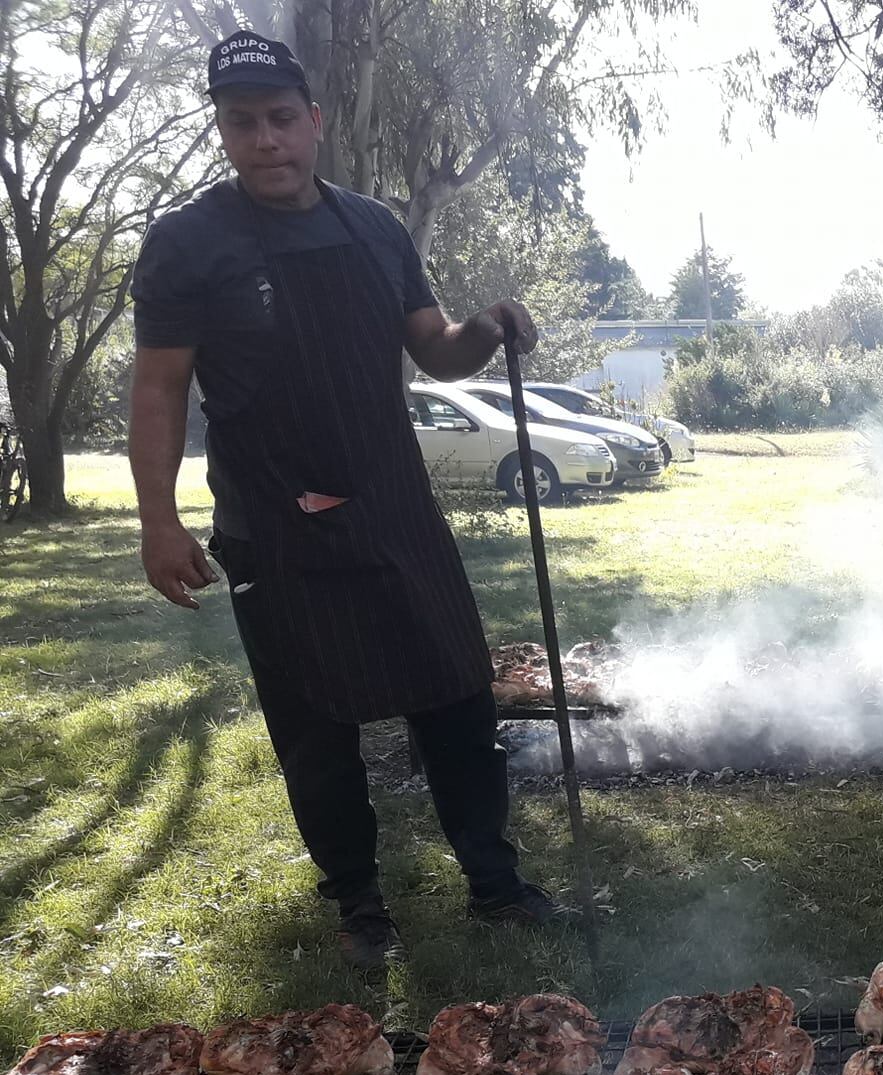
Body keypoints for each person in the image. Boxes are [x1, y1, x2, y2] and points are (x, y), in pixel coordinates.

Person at [128, 31, 564, 971]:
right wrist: (158, 520)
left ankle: (495, 885)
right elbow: (160, 386)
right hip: (274, 523)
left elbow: (435, 349)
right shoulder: (187, 244)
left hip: (395, 506)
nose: (265, 140)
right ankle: (360, 906)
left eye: (282, 119)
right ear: (224, 131)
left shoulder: (374, 231)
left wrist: (485, 329)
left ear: (314, 122)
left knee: (454, 695)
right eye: (242, 123)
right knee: (317, 729)